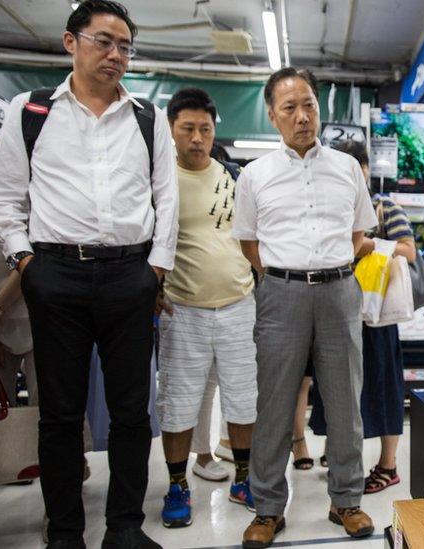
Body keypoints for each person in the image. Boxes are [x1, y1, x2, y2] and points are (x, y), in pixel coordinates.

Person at [0, 1, 178, 547]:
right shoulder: (31, 111)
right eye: (103, 41)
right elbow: (1, 201)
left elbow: (167, 199)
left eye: (124, 46)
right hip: (56, 276)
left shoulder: (146, 117)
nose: (115, 55)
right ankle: (65, 532)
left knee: (131, 415)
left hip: (129, 277)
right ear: (71, 42)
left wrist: (154, 271)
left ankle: (125, 529)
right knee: (60, 416)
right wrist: (27, 263)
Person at [232, 67, 377, 548]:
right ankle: (268, 509)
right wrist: (282, 275)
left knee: (344, 402)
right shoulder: (254, 175)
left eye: (309, 105)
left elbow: (359, 236)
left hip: (339, 290)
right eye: (290, 107)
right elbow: (248, 242)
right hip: (280, 293)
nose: (302, 116)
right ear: (273, 115)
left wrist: (327, 269)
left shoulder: (346, 168)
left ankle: (347, 500)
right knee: (273, 403)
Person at [155, 87, 257, 528]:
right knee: (178, 402)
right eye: (188, 129)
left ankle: (245, 477)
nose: (197, 137)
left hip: (239, 305)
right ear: (172, 131)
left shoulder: (236, 176)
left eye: (205, 129)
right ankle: (177, 485)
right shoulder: (159, 182)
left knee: (243, 400)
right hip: (183, 309)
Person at [309, 140, 415, 494]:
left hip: (377, 316)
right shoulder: (326, 210)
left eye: (359, 168)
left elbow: (409, 252)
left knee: (384, 386)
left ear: (367, 171)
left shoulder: (384, 208)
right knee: (335, 387)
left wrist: (368, 244)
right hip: (335, 311)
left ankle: (388, 465)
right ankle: (340, 455)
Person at [0, 136, 39, 544]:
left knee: (53, 419)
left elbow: (32, 263)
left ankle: (60, 509)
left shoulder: (43, 197)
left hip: (42, 324)